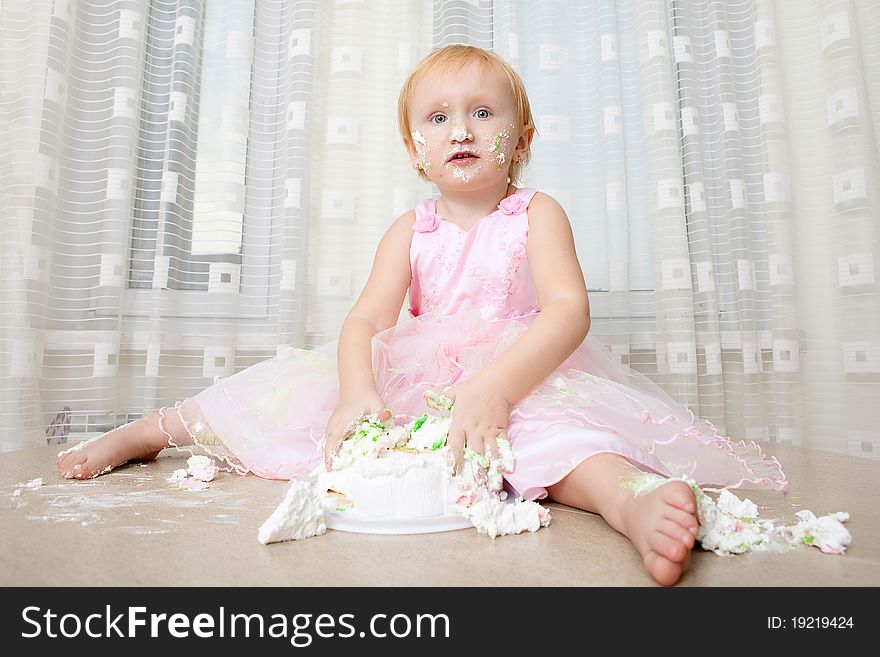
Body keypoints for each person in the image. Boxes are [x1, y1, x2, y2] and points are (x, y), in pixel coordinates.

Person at [57, 44, 787, 586]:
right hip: (417, 383)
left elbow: (568, 311)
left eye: (482, 112)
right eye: (438, 118)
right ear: (417, 151)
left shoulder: (535, 215)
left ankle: (629, 500)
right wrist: (357, 391)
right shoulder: (411, 231)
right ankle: (152, 430)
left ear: (521, 141)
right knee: (278, 399)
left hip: (519, 375)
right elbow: (365, 323)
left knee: (557, 441)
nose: (461, 129)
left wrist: (500, 386)